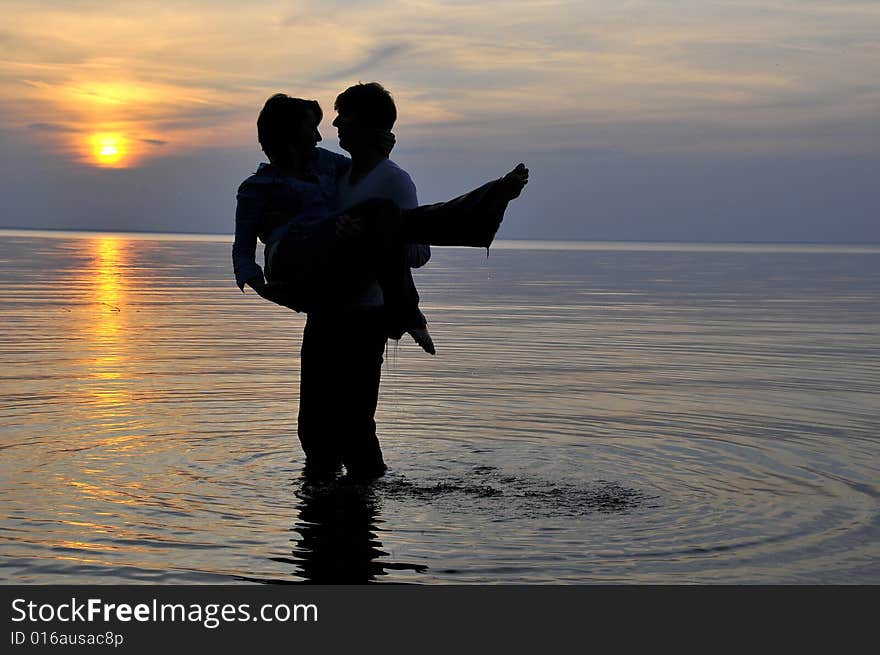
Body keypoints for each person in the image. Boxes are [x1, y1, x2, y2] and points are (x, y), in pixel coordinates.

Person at [233, 93, 529, 480]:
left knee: (348, 424)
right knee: (380, 216)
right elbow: (242, 250)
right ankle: (472, 220)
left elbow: (403, 231)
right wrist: (263, 289)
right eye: (314, 127)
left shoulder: (332, 168)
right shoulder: (258, 186)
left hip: (350, 305)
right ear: (287, 135)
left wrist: (362, 230)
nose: (324, 134)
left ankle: (355, 500)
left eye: (337, 120)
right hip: (297, 269)